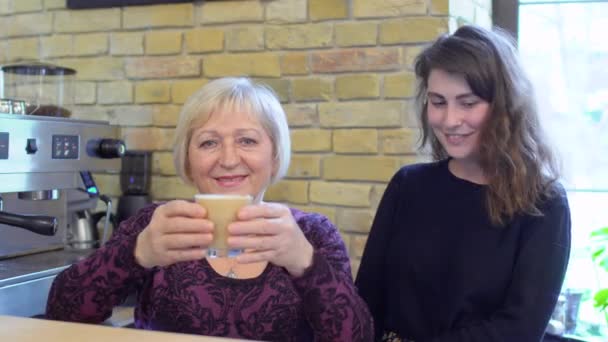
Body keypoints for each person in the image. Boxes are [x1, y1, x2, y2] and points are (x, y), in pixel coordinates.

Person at [46, 77, 373, 341]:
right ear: (188, 159)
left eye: (247, 140)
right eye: (208, 142)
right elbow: (61, 312)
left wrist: (305, 262)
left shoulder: (312, 233)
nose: (228, 160)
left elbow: (357, 337)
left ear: (274, 154)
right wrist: (136, 254)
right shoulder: (157, 225)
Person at [355, 25, 571, 342]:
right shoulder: (408, 185)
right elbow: (366, 300)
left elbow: (518, 330)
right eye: (438, 102)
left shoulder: (544, 203)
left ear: (505, 106)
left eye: (468, 103)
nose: (450, 120)